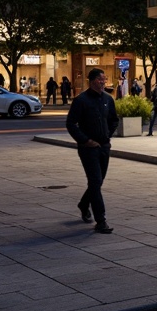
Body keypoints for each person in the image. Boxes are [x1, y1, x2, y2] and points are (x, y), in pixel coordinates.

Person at [66, 68, 118, 233]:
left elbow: (114, 120)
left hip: (104, 147)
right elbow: (71, 123)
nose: (103, 82)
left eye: (104, 79)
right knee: (95, 182)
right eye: (100, 80)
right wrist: (85, 140)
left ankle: (83, 204)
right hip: (88, 149)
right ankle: (101, 221)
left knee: (98, 182)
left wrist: (106, 136)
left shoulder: (108, 99)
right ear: (92, 81)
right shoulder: (81, 100)